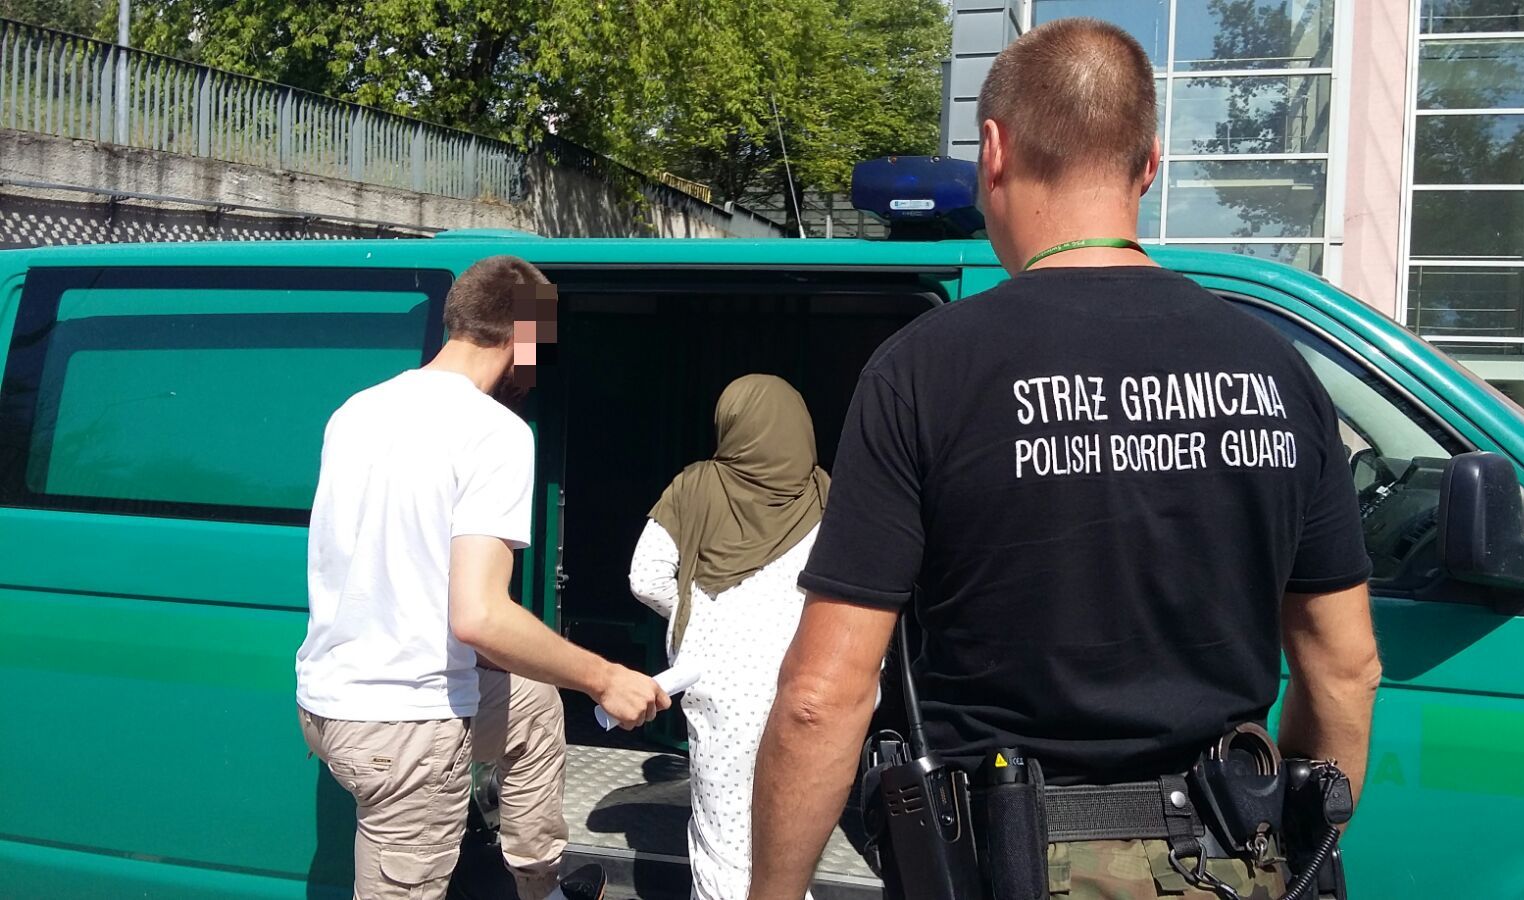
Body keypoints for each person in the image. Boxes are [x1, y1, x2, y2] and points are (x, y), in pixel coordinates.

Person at [750, 17, 1383, 900]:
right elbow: (1346, 669)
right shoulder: (1278, 371)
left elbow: (822, 695)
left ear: (993, 150)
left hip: (1005, 866)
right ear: (1148, 164)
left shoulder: (924, 372)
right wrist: (1293, 841)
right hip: (1226, 865)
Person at [295, 255, 669, 900]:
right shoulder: (495, 431)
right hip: (404, 725)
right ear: (525, 336)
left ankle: (537, 883)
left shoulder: (357, 409)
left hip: (327, 705)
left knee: (533, 706)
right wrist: (607, 679)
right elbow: (479, 616)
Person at [626, 374, 830, 900]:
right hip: (802, 680)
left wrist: (697, 617)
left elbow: (645, 577)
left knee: (725, 835)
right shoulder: (824, 493)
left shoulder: (697, 486)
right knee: (789, 837)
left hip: (722, 686)